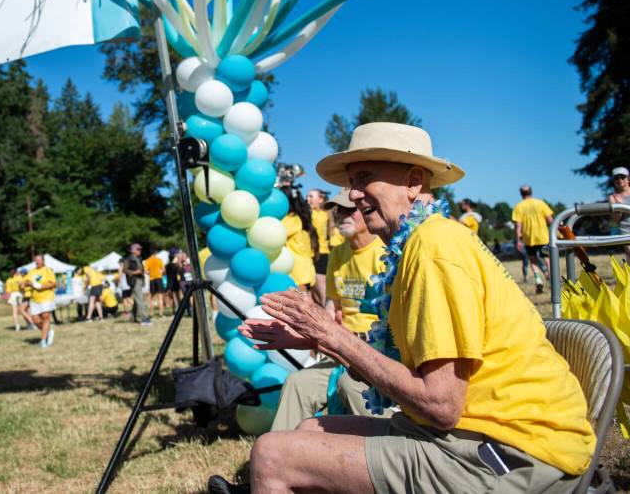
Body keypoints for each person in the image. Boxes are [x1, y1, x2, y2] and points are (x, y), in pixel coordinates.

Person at [212, 122, 595, 494]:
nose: (354, 195)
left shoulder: (434, 248)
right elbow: (403, 364)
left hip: (515, 452)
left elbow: (440, 404)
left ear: (413, 181)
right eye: (351, 181)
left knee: (271, 456)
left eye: (364, 178)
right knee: (309, 430)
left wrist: (328, 332)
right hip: (478, 431)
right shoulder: (426, 239)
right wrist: (316, 336)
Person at [271, 190, 385, 430]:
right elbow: (332, 307)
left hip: (378, 355)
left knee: (349, 385)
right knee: (296, 382)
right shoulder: (338, 254)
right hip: (342, 353)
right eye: (338, 210)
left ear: (367, 210)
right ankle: (278, 461)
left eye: (350, 209)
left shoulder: (384, 253)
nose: (342, 215)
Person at [512, 185, 553, 294]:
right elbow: (550, 220)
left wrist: (518, 240)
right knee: (547, 259)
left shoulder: (518, 207)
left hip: (528, 238)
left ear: (521, 194)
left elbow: (518, 225)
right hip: (543, 237)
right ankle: (552, 280)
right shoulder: (541, 203)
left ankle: (538, 279)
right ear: (531, 192)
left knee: (533, 260)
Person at [280, 189, 317, 291]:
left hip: (297, 272)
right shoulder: (300, 218)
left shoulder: (290, 219)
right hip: (306, 269)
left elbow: (275, 234)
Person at [25, 255, 57, 347]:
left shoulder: (48, 270)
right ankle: (48, 332)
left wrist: (42, 287)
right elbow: (26, 282)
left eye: (39, 260)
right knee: (35, 320)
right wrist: (30, 283)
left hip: (47, 297)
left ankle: (43, 341)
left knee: (45, 316)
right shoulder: (32, 272)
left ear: (43, 261)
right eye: (36, 260)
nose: (37, 261)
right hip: (35, 299)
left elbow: (53, 283)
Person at [307, 188, 332, 302]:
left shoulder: (323, 214)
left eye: (311, 196)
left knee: (320, 282)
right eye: (307, 196)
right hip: (307, 254)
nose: (308, 199)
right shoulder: (309, 212)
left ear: (321, 199)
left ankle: (328, 310)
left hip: (321, 252)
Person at [124, 243, 151, 325]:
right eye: (138, 249)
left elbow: (140, 269)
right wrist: (134, 272)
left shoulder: (138, 259)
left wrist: (144, 271)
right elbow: (125, 270)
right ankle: (143, 318)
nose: (140, 251)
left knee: (137, 300)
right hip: (134, 281)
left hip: (140, 280)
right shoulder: (128, 259)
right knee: (140, 300)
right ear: (133, 250)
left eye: (140, 249)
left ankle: (134, 317)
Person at [608, 166, 630, 259]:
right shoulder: (613, 197)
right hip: (625, 230)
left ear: (628, 179)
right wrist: (619, 210)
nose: (619, 180)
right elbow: (614, 221)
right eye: (616, 178)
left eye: (622, 177)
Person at [144, 250, 166, 318]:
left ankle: (151, 314)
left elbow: (145, 271)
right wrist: (161, 273)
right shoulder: (159, 260)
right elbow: (164, 270)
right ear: (155, 253)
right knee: (160, 297)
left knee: (151, 298)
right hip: (159, 278)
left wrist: (150, 273)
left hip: (152, 279)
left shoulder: (147, 261)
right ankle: (161, 314)